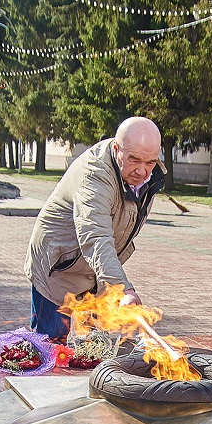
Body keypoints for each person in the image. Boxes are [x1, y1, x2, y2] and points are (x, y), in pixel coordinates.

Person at [24, 116, 166, 340]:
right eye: (134, 160)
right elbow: (96, 237)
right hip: (58, 265)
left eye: (150, 162)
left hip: (95, 273)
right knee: (50, 346)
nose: (142, 171)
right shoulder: (95, 175)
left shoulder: (148, 174)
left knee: (92, 348)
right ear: (117, 148)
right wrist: (122, 288)